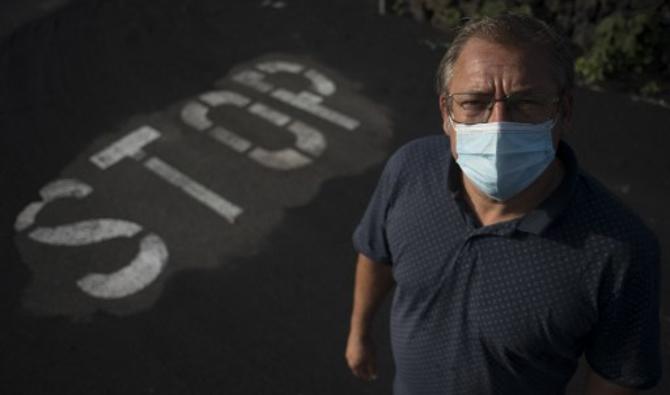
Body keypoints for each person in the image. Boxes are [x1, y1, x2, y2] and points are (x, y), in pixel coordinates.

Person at [345, 13, 661, 395]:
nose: (498, 124)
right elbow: (376, 254)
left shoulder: (620, 250)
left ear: (565, 111)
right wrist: (359, 334)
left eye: (526, 102)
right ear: (446, 112)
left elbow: (616, 377)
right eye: (474, 102)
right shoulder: (409, 169)